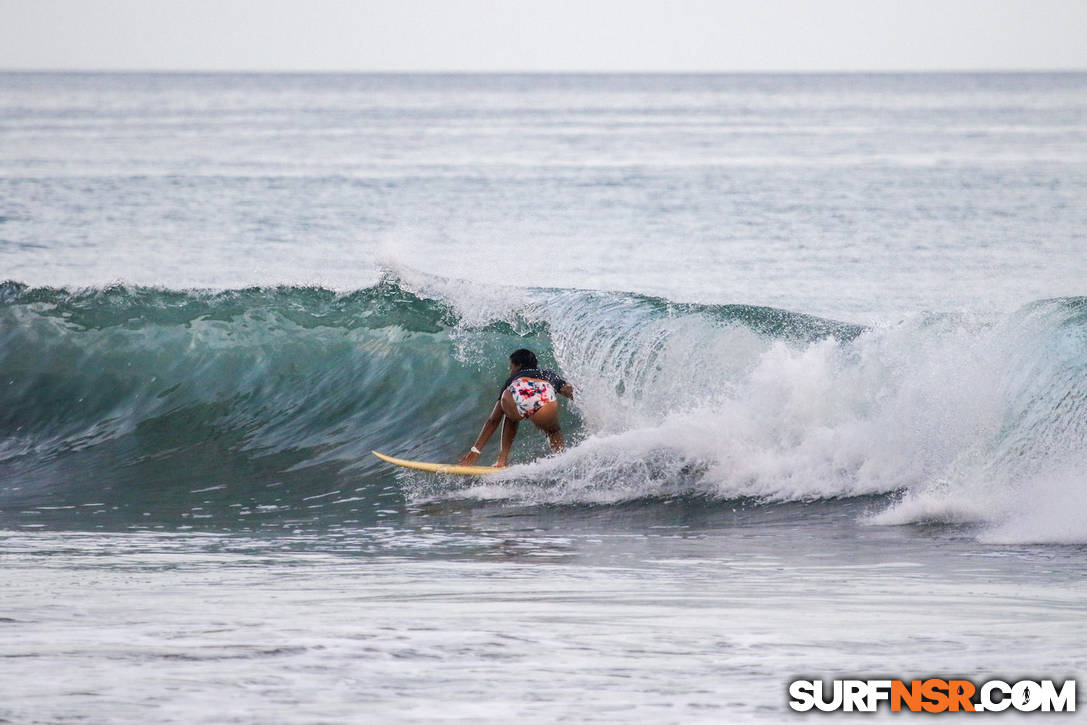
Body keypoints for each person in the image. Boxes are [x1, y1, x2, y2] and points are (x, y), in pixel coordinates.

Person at [458, 348, 574, 467]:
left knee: (510, 415)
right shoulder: (547, 374)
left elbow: (493, 421)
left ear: (519, 366)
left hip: (521, 389)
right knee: (553, 430)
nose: (510, 369)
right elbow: (572, 392)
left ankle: (502, 460)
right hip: (545, 395)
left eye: (511, 366)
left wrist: (475, 451)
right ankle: (561, 460)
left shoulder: (514, 378)